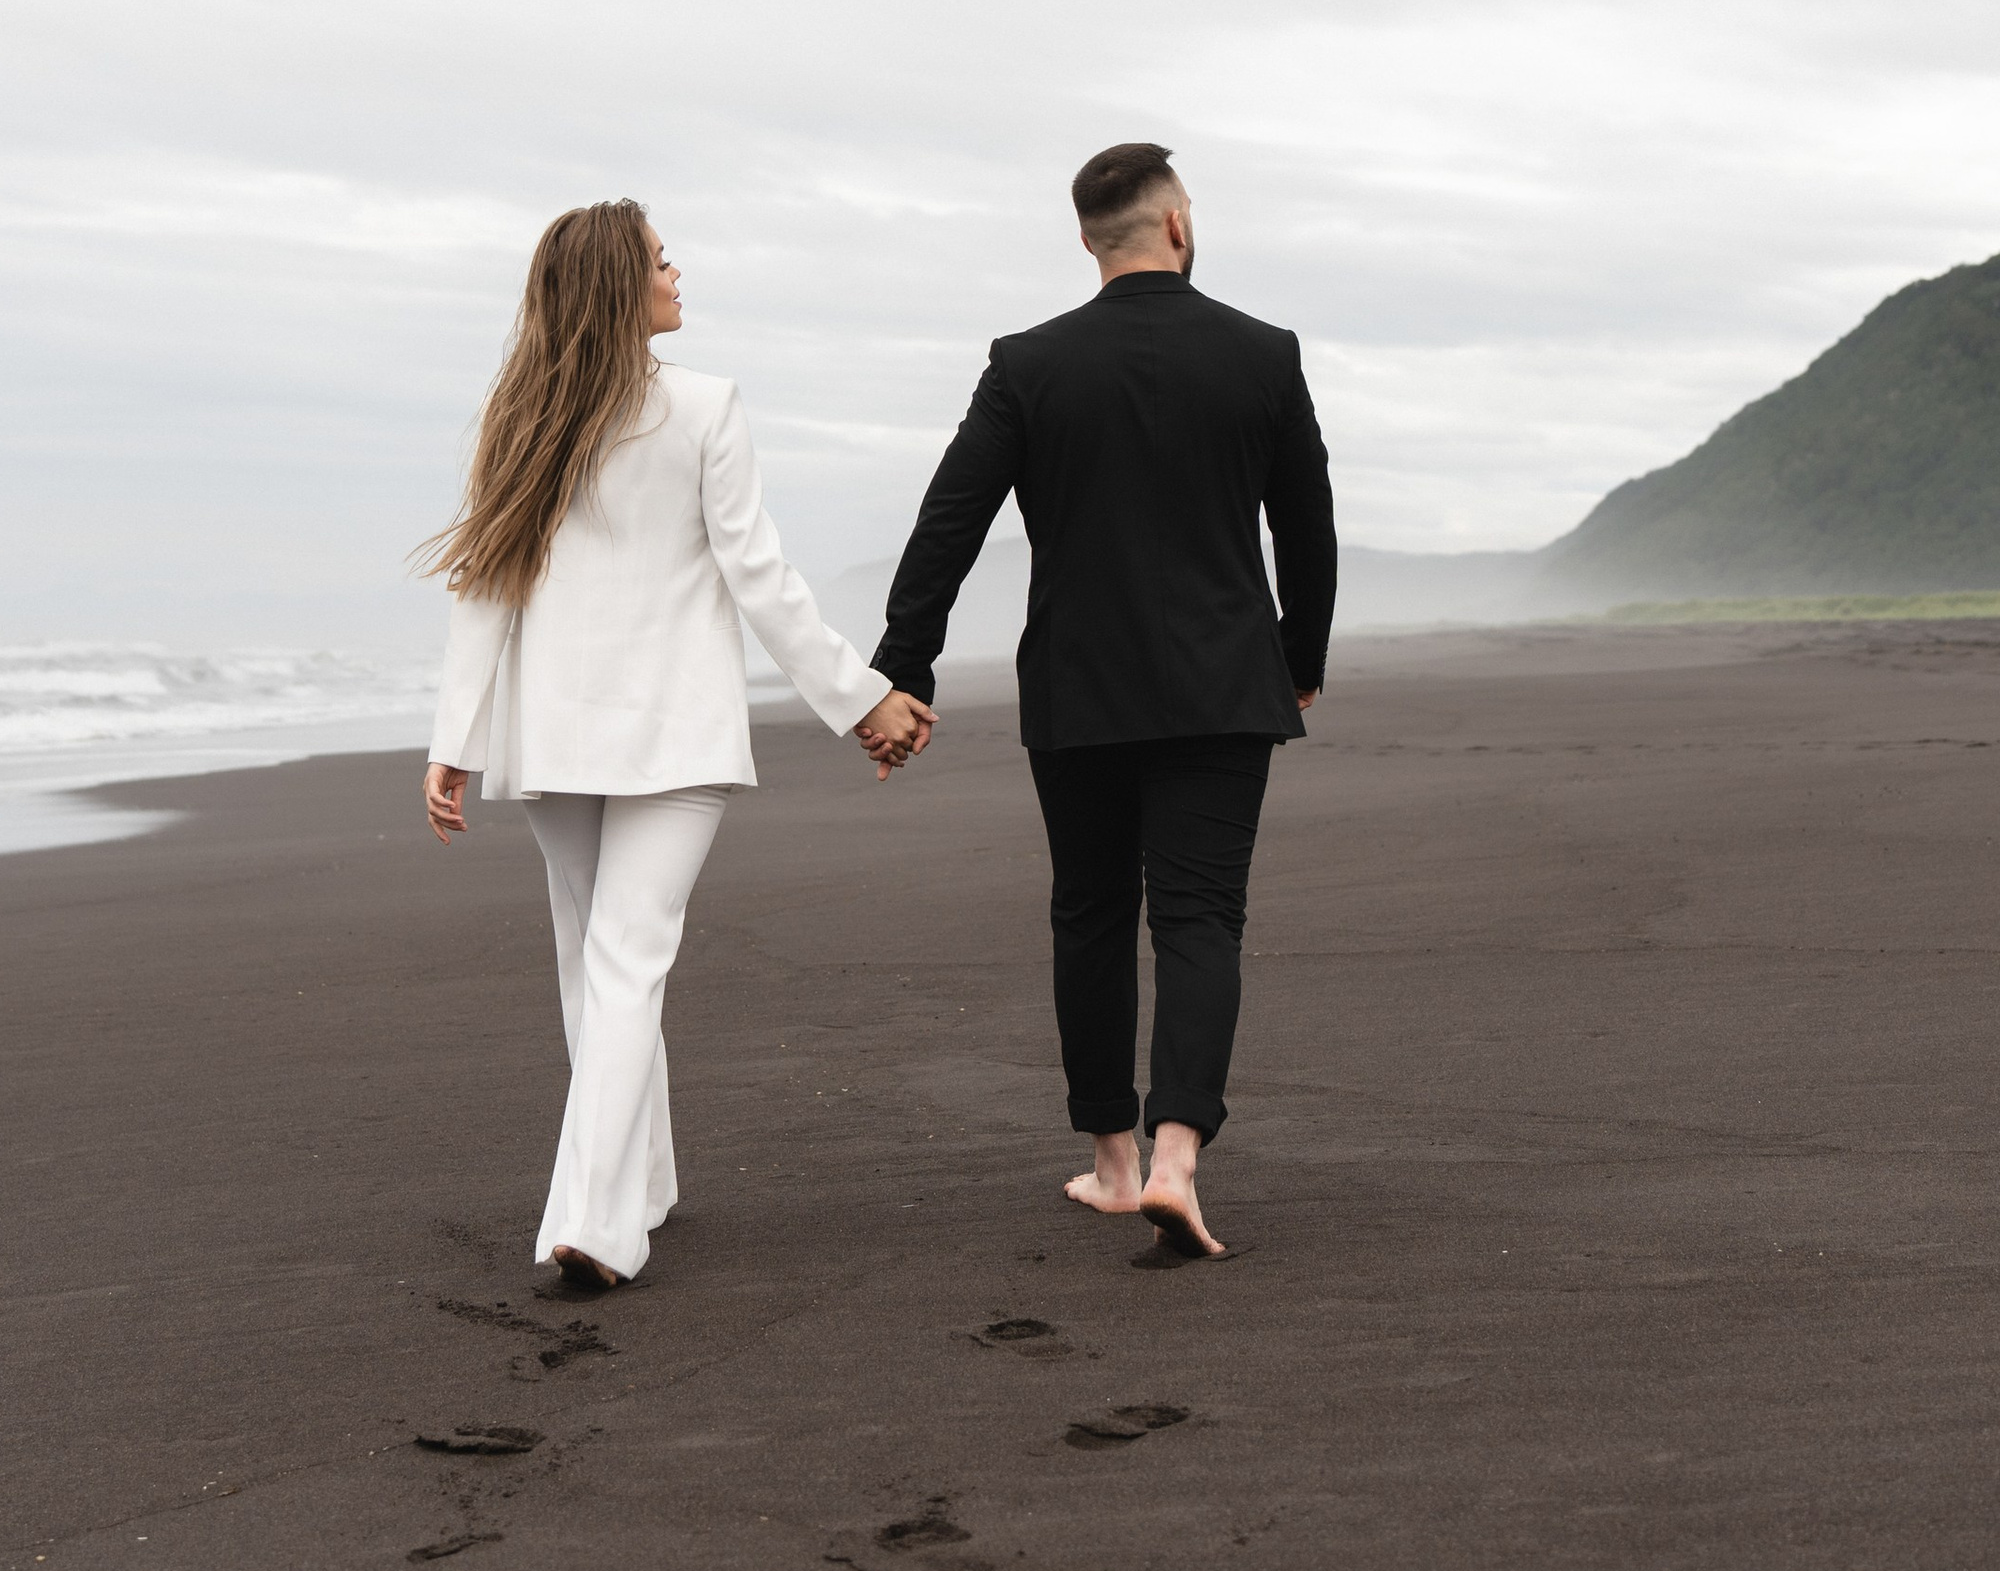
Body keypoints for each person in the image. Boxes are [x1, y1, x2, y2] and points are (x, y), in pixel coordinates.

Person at [420, 201, 930, 1288]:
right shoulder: (702, 407)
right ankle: (604, 1219)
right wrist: (864, 699)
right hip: (667, 734)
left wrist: (457, 735)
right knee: (618, 965)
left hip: (553, 736)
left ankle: (632, 1190)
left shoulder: (520, 411)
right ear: (619, 284)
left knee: (598, 967)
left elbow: (483, 587)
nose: (676, 270)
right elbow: (760, 578)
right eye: (659, 259)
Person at [870, 142, 1336, 1259]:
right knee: (1198, 916)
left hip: (1078, 688)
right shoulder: (1261, 355)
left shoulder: (1029, 365)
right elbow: (1305, 523)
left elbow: (950, 522)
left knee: (1088, 911)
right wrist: (1298, 654)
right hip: (1224, 684)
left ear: (1089, 240)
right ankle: (1181, 1155)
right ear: (1175, 224)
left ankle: (1113, 1162)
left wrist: (904, 668)